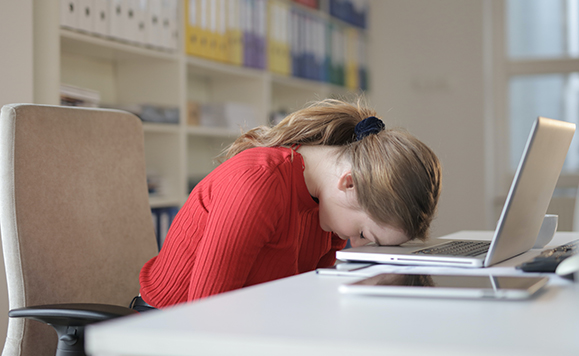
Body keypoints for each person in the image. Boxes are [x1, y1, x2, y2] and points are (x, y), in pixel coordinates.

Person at [138, 97, 442, 308]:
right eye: (365, 235)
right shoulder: (258, 182)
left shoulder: (329, 209)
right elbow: (206, 316)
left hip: (250, 322)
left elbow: (306, 297)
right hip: (168, 326)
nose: (358, 245)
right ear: (348, 183)